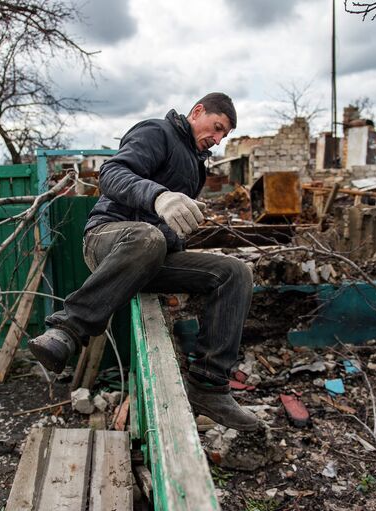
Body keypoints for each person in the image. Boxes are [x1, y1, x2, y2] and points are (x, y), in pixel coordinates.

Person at [28, 92, 258, 431]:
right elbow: (111, 173)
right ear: (197, 111)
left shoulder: (196, 164)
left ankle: (210, 386)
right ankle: (68, 330)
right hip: (109, 239)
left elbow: (167, 230)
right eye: (217, 127)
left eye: (225, 135)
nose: (218, 138)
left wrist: (181, 234)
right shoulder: (157, 132)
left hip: (153, 255)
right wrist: (159, 196)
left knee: (235, 273)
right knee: (147, 237)